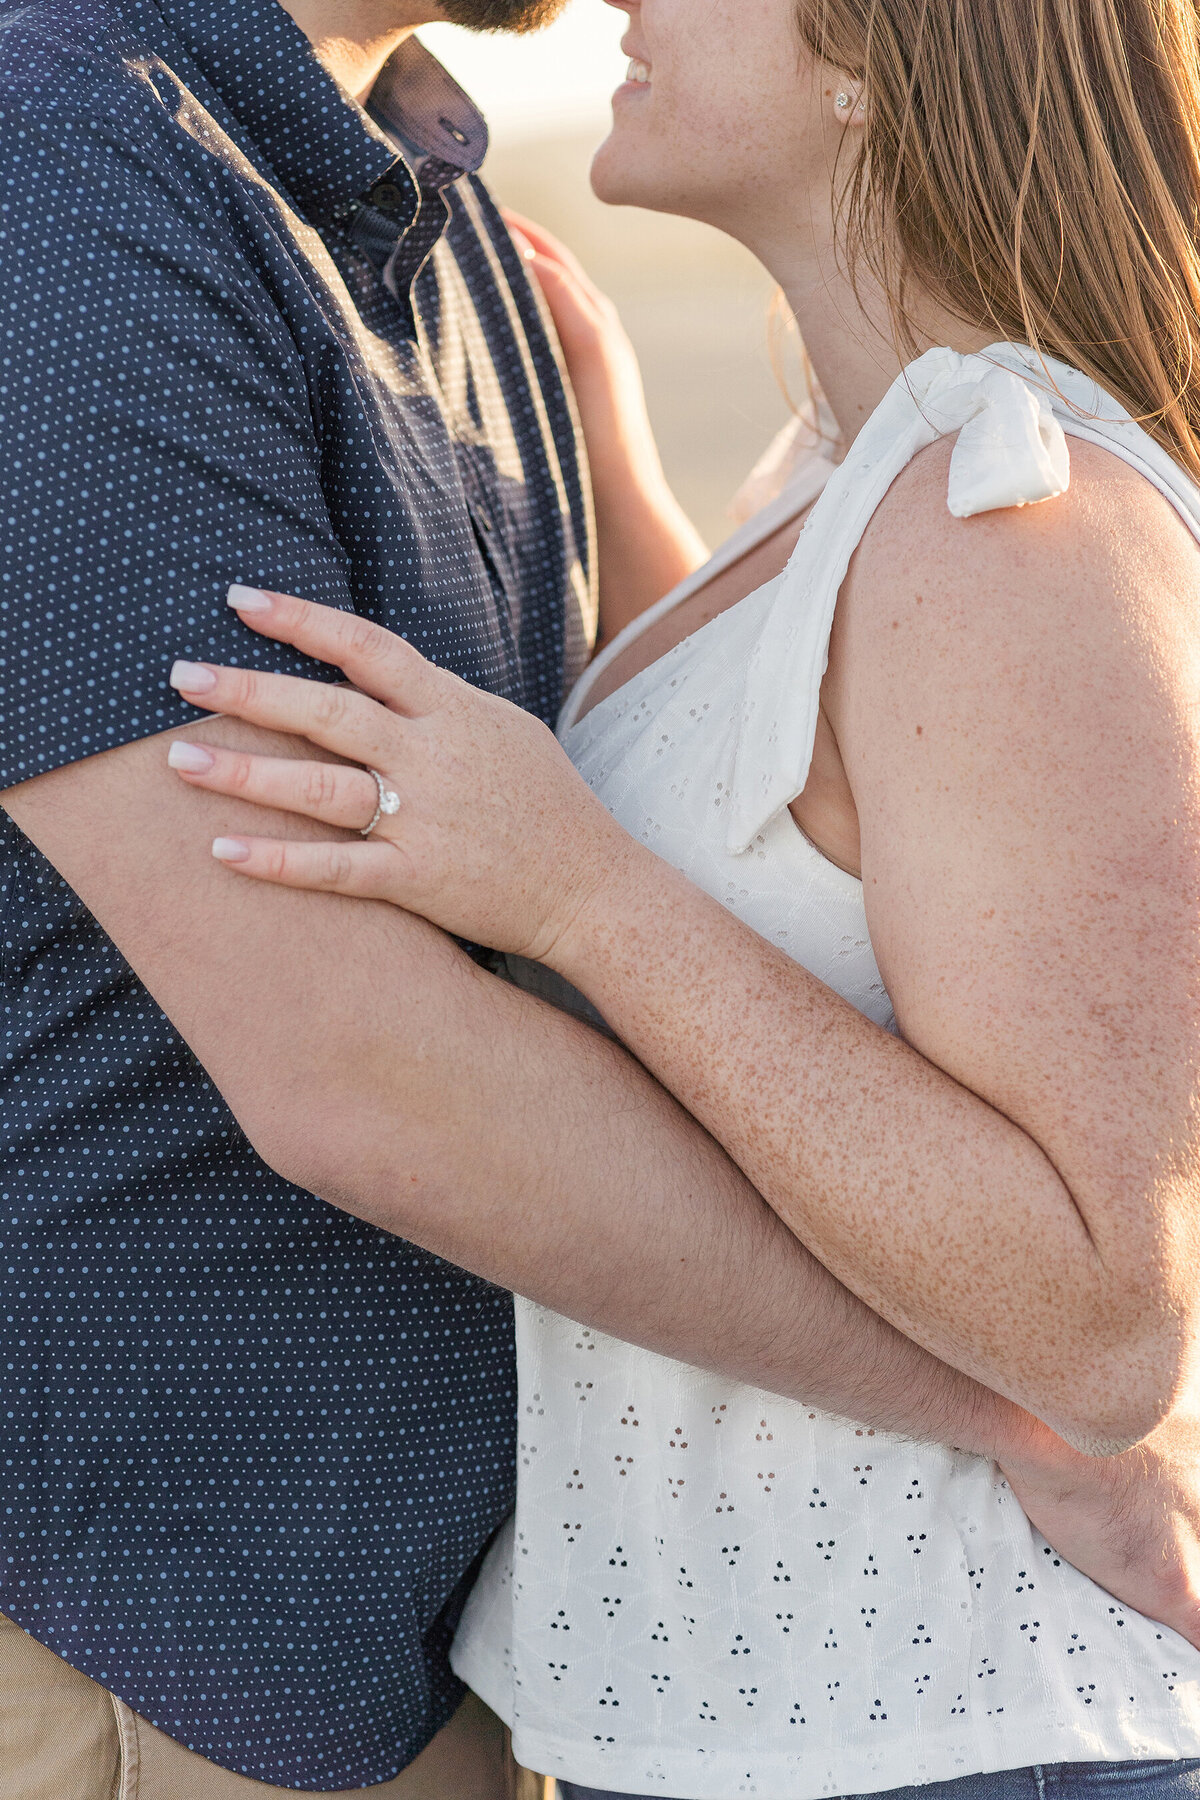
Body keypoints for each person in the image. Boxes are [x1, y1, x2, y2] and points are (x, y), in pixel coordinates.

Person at [125, 0, 1200, 1795]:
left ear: (871, 56)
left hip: (953, 1730)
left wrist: (578, 891)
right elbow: (808, 845)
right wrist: (607, 474)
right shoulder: (855, 476)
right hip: (797, 1725)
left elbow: (1102, 1322)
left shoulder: (1011, 517)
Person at [0, 0, 704, 1788]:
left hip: (431, 1627)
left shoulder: (415, 188)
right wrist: (1016, 1402)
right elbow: (360, 1073)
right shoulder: (53, 160)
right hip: (153, 1653)